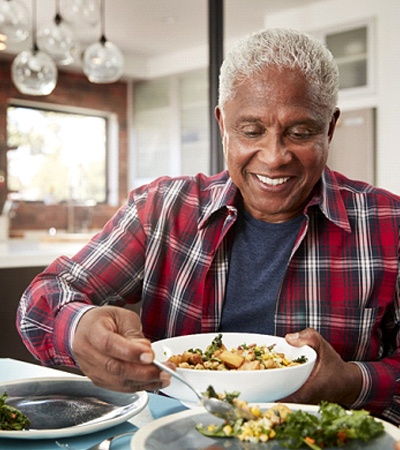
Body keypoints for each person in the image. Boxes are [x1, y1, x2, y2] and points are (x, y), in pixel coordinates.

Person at [17, 28, 400, 425]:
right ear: (223, 125)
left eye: (300, 132)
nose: (273, 157)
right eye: (251, 131)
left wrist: (353, 382)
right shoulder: (162, 209)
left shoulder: (389, 225)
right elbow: (41, 300)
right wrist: (79, 329)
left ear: (330, 128)